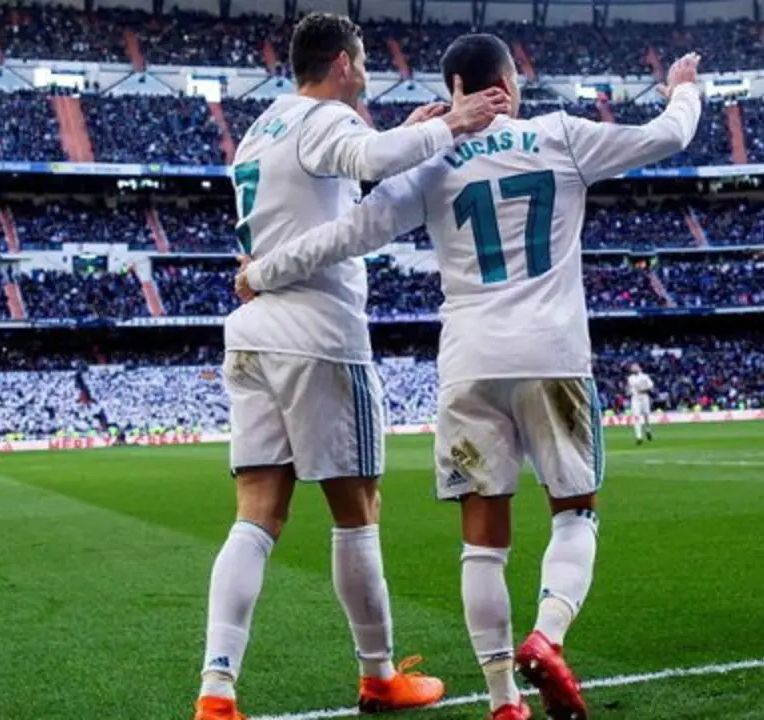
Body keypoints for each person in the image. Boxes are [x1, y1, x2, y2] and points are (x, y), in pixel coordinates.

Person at [233, 35, 703, 720]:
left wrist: (260, 272)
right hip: (553, 357)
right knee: (576, 514)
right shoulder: (560, 135)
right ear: (507, 84)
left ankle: (503, 702)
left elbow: (346, 235)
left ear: (453, 85)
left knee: (482, 545)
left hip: (467, 367)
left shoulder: (430, 163)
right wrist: (683, 86)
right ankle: (547, 635)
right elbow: (670, 135)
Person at [193, 13, 509, 720]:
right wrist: (453, 124)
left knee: (256, 516)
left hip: (251, 335)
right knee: (357, 512)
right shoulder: (323, 117)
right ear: (341, 63)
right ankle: (378, 675)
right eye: (362, 63)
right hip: (319, 336)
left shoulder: (263, 126)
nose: (365, 74)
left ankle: (216, 689)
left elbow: (334, 170)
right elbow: (364, 161)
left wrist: (411, 128)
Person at [626, 363, 655, 444]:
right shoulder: (630, 378)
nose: (634, 369)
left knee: (646, 415)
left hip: (644, 397)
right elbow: (628, 389)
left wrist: (645, 388)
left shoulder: (645, 376)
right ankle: (639, 437)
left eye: (635, 367)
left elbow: (651, 386)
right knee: (636, 417)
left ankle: (648, 429)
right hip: (635, 398)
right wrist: (628, 391)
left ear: (639, 368)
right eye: (632, 368)